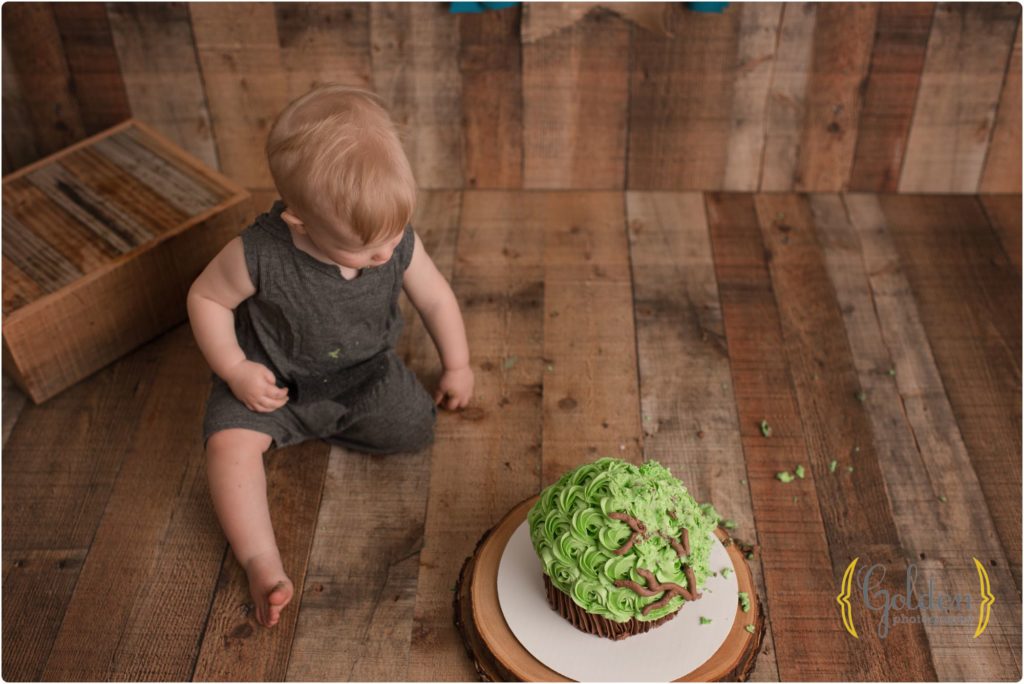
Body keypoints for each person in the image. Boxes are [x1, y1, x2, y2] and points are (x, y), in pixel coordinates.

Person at [186, 84, 473, 628]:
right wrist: (234, 368)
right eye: (366, 249)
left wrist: (457, 364)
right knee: (227, 449)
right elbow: (205, 298)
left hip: (361, 374)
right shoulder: (259, 252)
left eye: (392, 237)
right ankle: (261, 561)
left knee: (415, 428)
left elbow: (435, 296)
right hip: (272, 382)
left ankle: (326, 426)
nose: (384, 254)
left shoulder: (393, 238)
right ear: (300, 222)